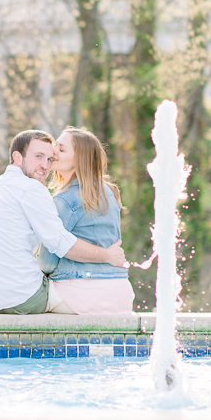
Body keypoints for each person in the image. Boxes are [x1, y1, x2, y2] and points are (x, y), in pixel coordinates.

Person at [0, 130, 126, 314]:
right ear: (18, 158)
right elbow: (60, 245)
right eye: (39, 156)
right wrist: (108, 256)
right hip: (23, 298)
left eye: (49, 157)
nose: (46, 164)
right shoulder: (109, 192)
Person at [42, 127, 135, 315]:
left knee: (19, 297)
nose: (53, 153)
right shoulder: (110, 192)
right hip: (120, 293)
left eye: (61, 149)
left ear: (79, 159)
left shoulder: (64, 201)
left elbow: (46, 262)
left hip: (79, 295)